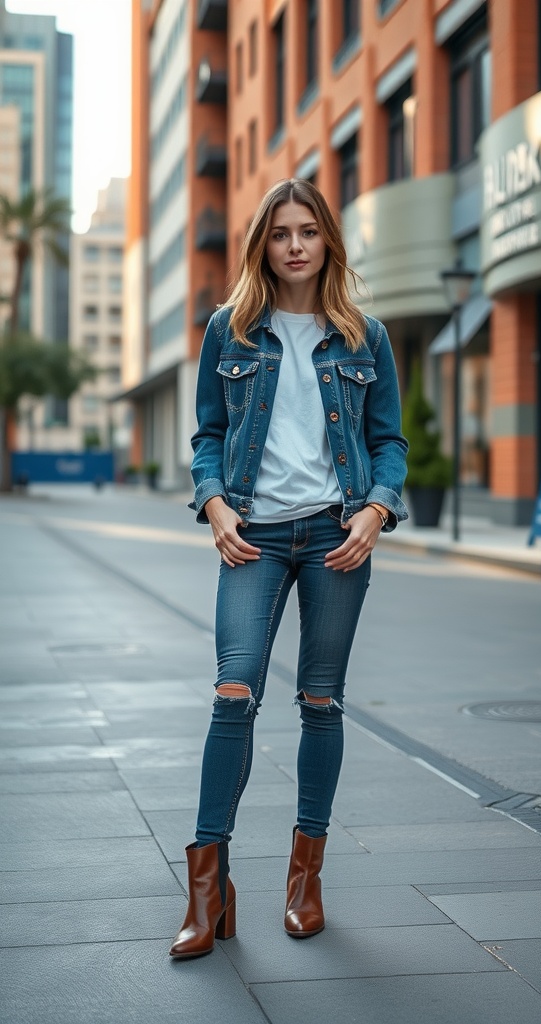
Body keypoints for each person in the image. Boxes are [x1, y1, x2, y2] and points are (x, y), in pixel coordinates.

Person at [169, 178, 408, 959]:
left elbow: (390, 443)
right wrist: (214, 504)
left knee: (321, 701)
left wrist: (376, 509)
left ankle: (305, 877)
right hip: (256, 535)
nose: (295, 245)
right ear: (262, 246)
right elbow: (207, 434)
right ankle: (208, 887)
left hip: (337, 534)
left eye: (308, 231)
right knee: (233, 691)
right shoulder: (228, 330)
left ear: (327, 241)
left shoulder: (364, 335)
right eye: (281, 234)